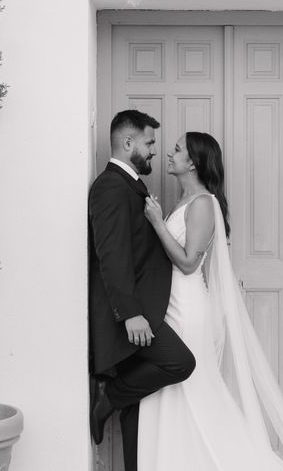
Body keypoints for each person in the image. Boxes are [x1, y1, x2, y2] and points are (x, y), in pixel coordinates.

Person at [138, 132, 283, 471]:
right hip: (169, 305)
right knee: (171, 393)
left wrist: (156, 222)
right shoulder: (184, 202)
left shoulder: (203, 204)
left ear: (192, 162)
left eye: (177, 149)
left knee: (196, 391)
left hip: (188, 308)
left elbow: (188, 262)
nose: (170, 153)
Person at [88, 110, 196, 471]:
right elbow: (111, 254)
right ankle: (108, 396)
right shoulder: (110, 187)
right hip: (133, 316)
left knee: (136, 412)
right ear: (128, 142)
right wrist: (131, 312)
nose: (154, 150)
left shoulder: (128, 184)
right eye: (149, 142)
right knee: (180, 362)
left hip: (144, 310)